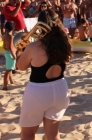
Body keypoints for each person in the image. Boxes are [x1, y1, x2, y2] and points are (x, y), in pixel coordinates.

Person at [16, 9, 71, 140]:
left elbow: (20, 67)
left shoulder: (35, 46)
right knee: (53, 134)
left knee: (28, 133)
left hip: (38, 91)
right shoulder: (65, 43)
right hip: (60, 88)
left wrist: (20, 51)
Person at [2, 21, 16, 90]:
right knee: (8, 71)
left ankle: (12, 81)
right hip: (10, 53)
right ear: (13, 28)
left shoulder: (5, 36)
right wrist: (14, 56)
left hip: (7, 53)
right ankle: (5, 86)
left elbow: (4, 46)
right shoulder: (11, 36)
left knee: (9, 69)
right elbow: (10, 47)